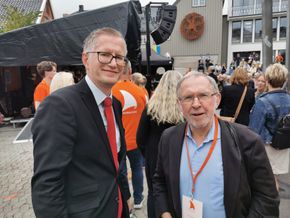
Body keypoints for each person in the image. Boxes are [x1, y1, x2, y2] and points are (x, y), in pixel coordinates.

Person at [31, 27, 131, 218]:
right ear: (85, 59)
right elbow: (47, 183)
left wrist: (125, 195)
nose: (113, 63)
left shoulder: (115, 104)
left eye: (119, 57)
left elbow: (115, 162)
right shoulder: (60, 105)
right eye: (104, 55)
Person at [153, 71, 279, 218]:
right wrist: (165, 212)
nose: (196, 104)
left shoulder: (247, 140)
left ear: (217, 99)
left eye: (203, 95)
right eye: (188, 97)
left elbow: (266, 197)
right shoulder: (169, 138)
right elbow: (159, 181)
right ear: (179, 104)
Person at [137, 70, 184, 218]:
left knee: (154, 192)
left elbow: (140, 137)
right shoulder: (185, 108)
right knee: (178, 191)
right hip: (180, 154)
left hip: (154, 154)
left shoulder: (151, 107)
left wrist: (147, 154)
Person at [249, 63, 290, 190]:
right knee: (273, 178)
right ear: (284, 80)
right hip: (284, 144)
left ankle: (271, 207)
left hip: (267, 146)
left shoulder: (263, 101)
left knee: (267, 183)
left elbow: (253, 131)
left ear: (267, 80)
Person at [112, 60, 147, 209]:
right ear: (130, 71)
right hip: (137, 139)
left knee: (122, 172)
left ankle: (125, 200)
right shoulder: (142, 92)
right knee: (137, 168)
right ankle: (138, 199)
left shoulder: (111, 92)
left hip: (118, 141)